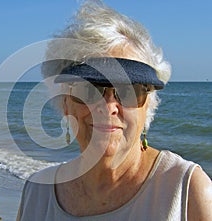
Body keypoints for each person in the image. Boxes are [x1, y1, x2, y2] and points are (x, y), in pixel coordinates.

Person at [17, 1, 212, 220]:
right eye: (88, 90)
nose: (108, 107)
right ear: (65, 104)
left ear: (148, 106)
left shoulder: (186, 191)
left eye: (128, 91)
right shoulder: (37, 192)